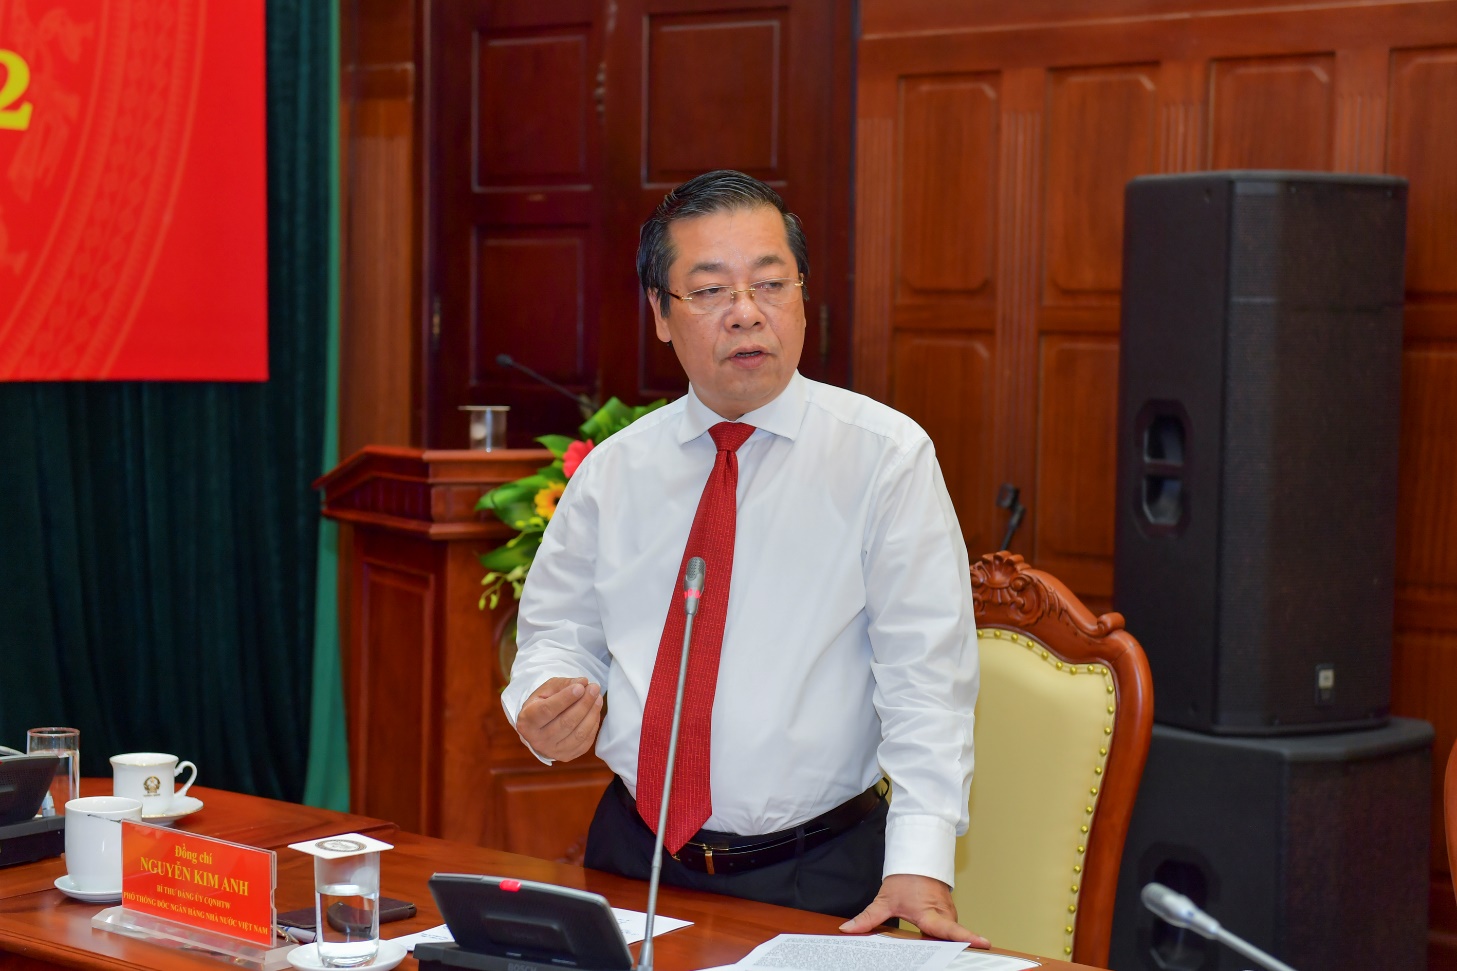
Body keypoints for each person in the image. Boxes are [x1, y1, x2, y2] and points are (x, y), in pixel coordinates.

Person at [499, 169, 985, 946]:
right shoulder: (616, 471)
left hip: (817, 872)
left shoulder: (883, 458)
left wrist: (920, 861)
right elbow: (558, 634)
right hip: (631, 855)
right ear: (660, 313)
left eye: (770, 283)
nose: (746, 312)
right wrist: (542, 703)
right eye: (709, 290)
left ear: (802, 298)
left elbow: (926, 677)